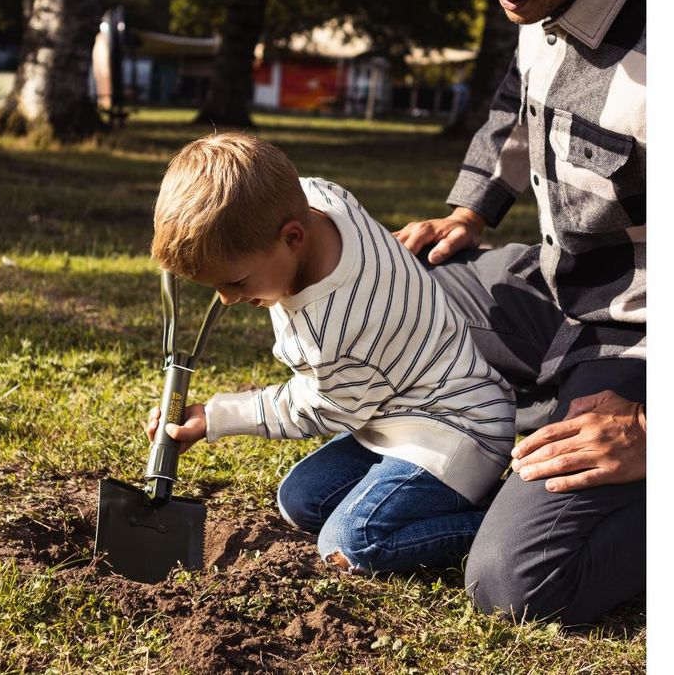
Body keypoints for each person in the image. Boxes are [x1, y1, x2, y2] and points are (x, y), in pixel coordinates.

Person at [399, 0, 647, 625]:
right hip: (558, 292)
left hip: (641, 341)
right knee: (392, 291)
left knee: (513, 583)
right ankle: (526, 422)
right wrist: (471, 211)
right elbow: (520, 97)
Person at [145, 133, 515, 573]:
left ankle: (500, 522)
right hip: (389, 411)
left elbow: (317, 409)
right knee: (301, 500)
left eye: (237, 282)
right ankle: (444, 498)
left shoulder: (335, 330)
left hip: (457, 430)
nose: (226, 299)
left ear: (292, 237)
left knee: (353, 542)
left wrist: (217, 417)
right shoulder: (315, 195)